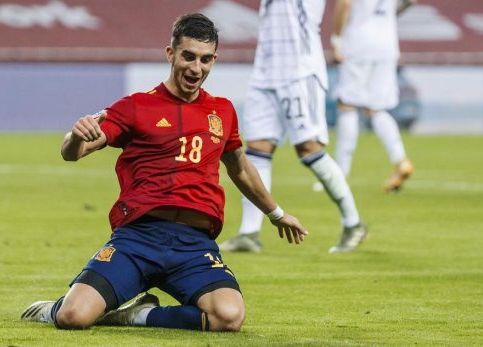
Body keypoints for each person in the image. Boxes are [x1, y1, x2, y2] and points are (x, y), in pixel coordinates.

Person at [20, 13, 308, 332]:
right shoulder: (136, 107)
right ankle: (53, 309)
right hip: (137, 240)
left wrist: (275, 212)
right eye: (188, 57)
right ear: (170, 53)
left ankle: (137, 315)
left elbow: (239, 166)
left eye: (205, 60)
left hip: (194, 246)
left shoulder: (222, 111)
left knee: (229, 317)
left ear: (214, 59)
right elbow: (73, 153)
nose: (196, 68)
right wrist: (75, 136)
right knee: (73, 317)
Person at [218, 0, 367, 254]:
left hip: (299, 70)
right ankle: (249, 232)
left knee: (309, 148)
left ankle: (353, 223)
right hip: (265, 70)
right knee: (257, 149)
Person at [330, 0, 415, 192]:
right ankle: (400, 160)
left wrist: (336, 39)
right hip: (386, 45)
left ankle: (340, 174)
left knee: (347, 105)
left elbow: (344, 4)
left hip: (358, 44)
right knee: (376, 108)